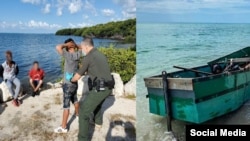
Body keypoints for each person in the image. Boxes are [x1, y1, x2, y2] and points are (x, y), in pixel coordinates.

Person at [70, 37, 115, 141]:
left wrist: (70, 80)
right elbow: (97, 69)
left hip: (101, 88)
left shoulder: (88, 57)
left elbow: (77, 76)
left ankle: (82, 139)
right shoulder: (100, 54)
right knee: (97, 103)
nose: (81, 50)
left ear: (86, 46)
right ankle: (98, 123)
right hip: (108, 87)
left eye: (82, 48)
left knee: (83, 111)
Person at [54, 38, 81, 133]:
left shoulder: (68, 55)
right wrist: (75, 45)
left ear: (68, 46)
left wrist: (67, 45)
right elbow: (82, 47)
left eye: (67, 46)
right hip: (74, 84)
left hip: (67, 85)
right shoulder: (78, 54)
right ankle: (78, 115)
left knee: (66, 106)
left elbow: (57, 47)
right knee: (75, 99)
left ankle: (64, 127)